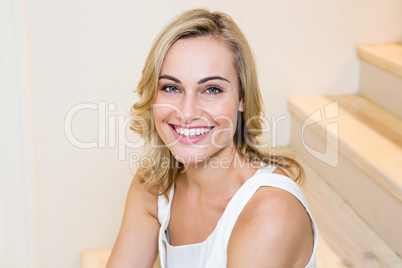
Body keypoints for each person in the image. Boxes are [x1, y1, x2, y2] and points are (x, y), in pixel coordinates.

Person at [107, 9, 318, 268]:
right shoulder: (153, 185)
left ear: (242, 98)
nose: (186, 112)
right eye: (171, 88)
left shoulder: (271, 211)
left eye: (211, 89)